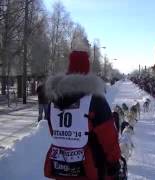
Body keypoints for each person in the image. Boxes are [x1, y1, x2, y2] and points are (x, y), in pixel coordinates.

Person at [44, 50, 121, 180]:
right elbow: (108, 136)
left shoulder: (53, 101)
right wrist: (114, 161)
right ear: (87, 71)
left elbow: (54, 130)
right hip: (89, 168)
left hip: (60, 167)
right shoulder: (95, 100)